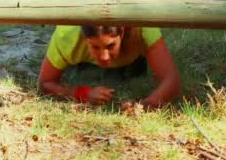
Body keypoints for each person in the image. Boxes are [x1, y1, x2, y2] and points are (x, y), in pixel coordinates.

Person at [38, 24, 181, 109]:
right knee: (82, 75)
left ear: (123, 31)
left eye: (110, 45)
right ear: (83, 38)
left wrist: (144, 106)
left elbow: (171, 80)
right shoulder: (66, 35)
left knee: (132, 75)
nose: (104, 57)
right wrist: (83, 93)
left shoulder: (143, 27)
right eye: (95, 46)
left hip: (131, 53)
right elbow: (45, 83)